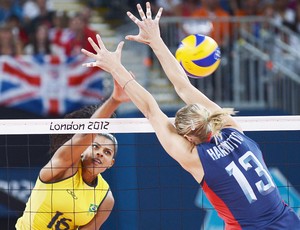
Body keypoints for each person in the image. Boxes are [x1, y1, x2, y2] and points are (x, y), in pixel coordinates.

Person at [81, 2, 300, 229]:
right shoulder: (231, 127)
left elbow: (149, 108)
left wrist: (115, 67)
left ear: (187, 136)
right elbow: (184, 88)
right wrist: (156, 40)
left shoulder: (194, 158)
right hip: (288, 221)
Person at [15, 80, 130, 230]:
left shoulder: (105, 199)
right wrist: (114, 101)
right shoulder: (65, 166)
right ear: (84, 150)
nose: (100, 153)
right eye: (95, 146)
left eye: (107, 152)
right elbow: (84, 135)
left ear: (111, 163)